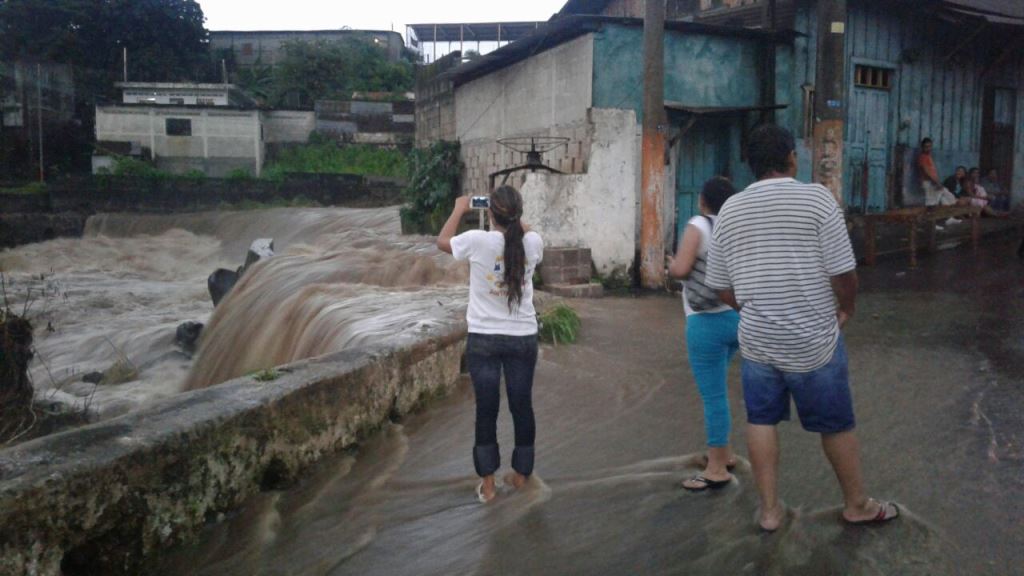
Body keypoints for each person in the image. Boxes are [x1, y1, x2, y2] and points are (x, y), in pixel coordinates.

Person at [705, 124, 899, 532]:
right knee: (836, 423)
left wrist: (754, 308)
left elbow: (721, 286)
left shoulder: (730, 211)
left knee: (761, 420)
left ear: (750, 164)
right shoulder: (817, 199)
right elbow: (845, 272)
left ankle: (770, 512)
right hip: (815, 339)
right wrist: (846, 309)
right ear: (792, 157)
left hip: (758, 342)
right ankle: (856, 505)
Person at [437, 186, 544, 503]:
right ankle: (522, 477)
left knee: (486, 410)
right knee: (521, 405)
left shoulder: (476, 240)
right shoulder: (533, 243)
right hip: (522, 338)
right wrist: (516, 219)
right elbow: (528, 230)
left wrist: (460, 208)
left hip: (483, 339)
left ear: (491, 213)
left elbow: (442, 241)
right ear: (518, 214)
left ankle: (488, 487)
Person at [668, 177, 740, 492]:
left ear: (702, 201)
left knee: (713, 396)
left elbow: (682, 269)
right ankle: (725, 453)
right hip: (735, 319)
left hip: (704, 322)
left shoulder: (698, 224)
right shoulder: (736, 227)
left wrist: (672, 265)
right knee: (719, 391)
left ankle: (716, 469)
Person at [918, 138, 963, 226]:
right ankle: (931, 224)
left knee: (947, 199)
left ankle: (949, 218)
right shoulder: (922, 157)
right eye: (926, 147)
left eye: (930, 146)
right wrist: (936, 182)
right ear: (922, 147)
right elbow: (927, 172)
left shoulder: (928, 157)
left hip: (933, 182)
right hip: (929, 183)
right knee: (932, 204)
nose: (928, 148)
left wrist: (937, 182)